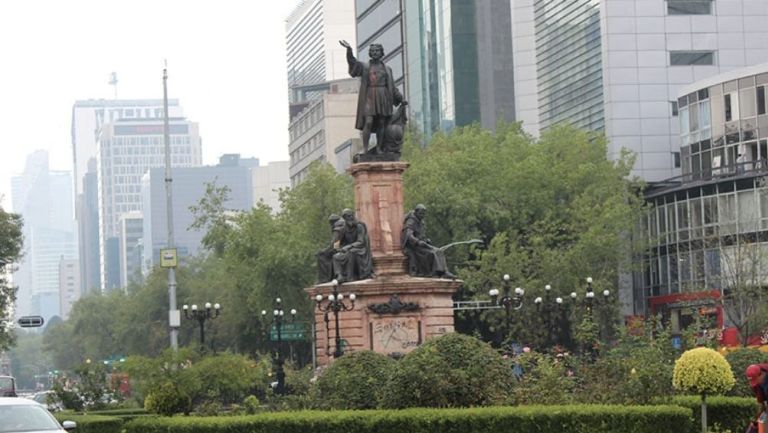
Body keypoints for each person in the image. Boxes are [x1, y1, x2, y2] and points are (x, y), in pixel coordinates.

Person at [339, 40, 406, 155]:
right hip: (370, 96)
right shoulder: (365, 67)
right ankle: (365, 148)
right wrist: (349, 50)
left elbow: (392, 87)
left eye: (377, 51)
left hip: (382, 97)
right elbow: (353, 64)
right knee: (368, 121)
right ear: (370, 53)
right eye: (373, 51)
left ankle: (379, 148)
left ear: (381, 53)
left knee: (381, 123)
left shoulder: (387, 69)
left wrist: (401, 99)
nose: (375, 53)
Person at [401, 204, 455, 279]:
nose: (422, 215)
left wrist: (426, 240)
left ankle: (444, 271)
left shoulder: (421, 222)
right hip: (414, 248)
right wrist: (418, 242)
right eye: (420, 213)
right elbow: (409, 236)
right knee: (432, 253)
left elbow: (421, 234)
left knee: (439, 251)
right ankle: (436, 272)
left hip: (422, 245)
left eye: (423, 214)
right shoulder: (411, 221)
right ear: (416, 212)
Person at [332, 209, 373, 283]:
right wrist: (337, 248)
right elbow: (338, 241)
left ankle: (350, 277)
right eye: (348, 216)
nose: (350, 217)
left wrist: (348, 246)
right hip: (349, 249)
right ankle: (339, 275)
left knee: (351, 253)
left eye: (351, 215)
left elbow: (361, 242)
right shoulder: (344, 228)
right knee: (336, 256)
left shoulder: (359, 226)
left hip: (361, 249)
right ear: (344, 218)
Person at [316, 214, 343, 283]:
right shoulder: (342, 227)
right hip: (340, 248)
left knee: (321, 255)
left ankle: (325, 278)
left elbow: (335, 244)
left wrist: (325, 251)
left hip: (339, 250)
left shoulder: (337, 229)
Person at [746, 363, 768, 428]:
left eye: (756, 380)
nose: (755, 383)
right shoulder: (757, 382)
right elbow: (761, 403)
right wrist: (756, 420)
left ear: (762, 374)